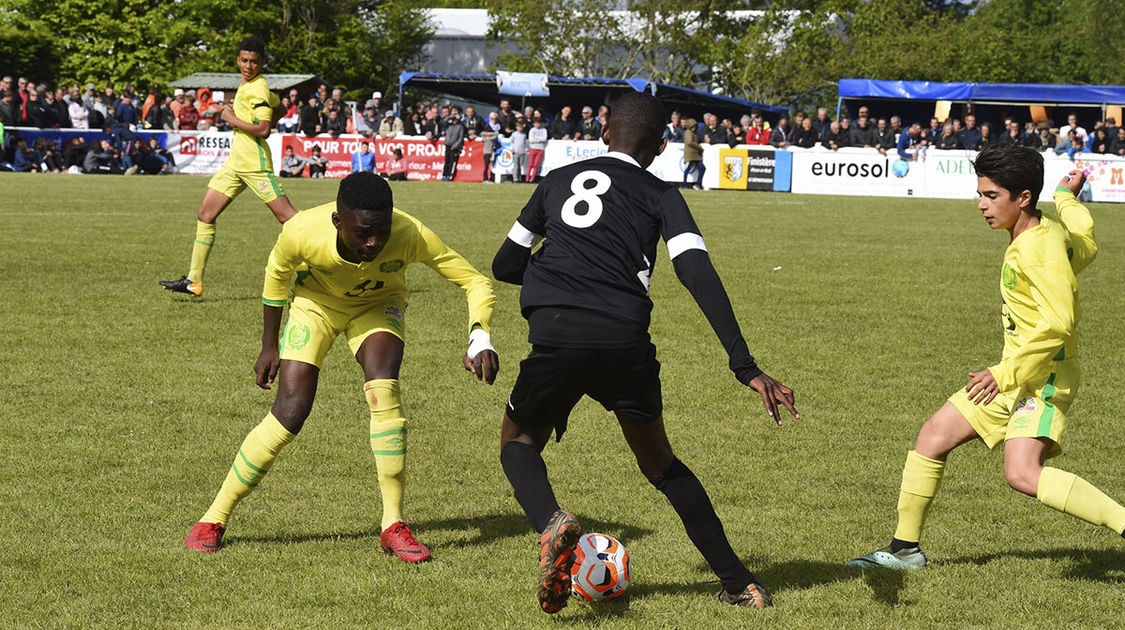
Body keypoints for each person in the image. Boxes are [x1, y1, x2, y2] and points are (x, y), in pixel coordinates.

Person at [491, 92, 797, 614]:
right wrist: (744, 365)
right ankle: (739, 583)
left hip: (557, 333)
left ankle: (552, 524)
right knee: (661, 466)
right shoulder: (661, 192)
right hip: (622, 339)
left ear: (604, 132)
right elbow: (696, 272)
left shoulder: (556, 181)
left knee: (518, 443)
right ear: (658, 147)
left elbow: (504, 265)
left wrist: (551, 268)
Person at [183, 172, 500, 561]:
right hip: (315, 306)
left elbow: (474, 281)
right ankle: (213, 518)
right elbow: (276, 276)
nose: (375, 242)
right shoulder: (303, 231)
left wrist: (479, 335)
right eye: (364, 232)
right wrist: (269, 344)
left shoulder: (409, 232)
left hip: (376, 308)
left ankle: (393, 524)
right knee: (290, 412)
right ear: (337, 220)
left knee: (384, 388)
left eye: (382, 231)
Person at [847, 145, 1125, 572]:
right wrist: (1068, 198)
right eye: (980, 193)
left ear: (1024, 197)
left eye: (992, 196)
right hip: (1013, 374)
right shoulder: (1047, 232)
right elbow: (1084, 241)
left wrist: (1006, 372)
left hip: (1040, 378)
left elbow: (1059, 325)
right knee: (933, 436)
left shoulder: (1039, 249)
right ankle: (905, 549)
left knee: (1022, 475)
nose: (981, 205)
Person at [160, 36, 299, 298]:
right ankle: (194, 280)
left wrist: (231, 118)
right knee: (205, 214)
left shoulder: (256, 89)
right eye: (244, 60)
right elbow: (279, 107)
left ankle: (316, 267)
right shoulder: (253, 87)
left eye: (254, 62)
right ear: (238, 60)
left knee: (289, 218)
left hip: (254, 165)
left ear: (262, 63)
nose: (248, 65)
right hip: (235, 165)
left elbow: (264, 129)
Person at [442, 106, 465, 181]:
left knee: (452, 162)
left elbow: (460, 137)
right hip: (448, 145)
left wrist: (455, 146)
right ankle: (444, 175)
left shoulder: (460, 126)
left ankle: (449, 175)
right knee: (446, 161)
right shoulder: (449, 124)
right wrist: (452, 115)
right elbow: (444, 121)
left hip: (454, 146)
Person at [682, 117, 704, 189]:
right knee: (687, 169)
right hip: (690, 154)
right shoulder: (688, 132)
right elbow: (689, 142)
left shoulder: (694, 133)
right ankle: (684, 184)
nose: (694, 127)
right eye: (693, 126)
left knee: (702, 168)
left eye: (695, 126)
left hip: (696, 154)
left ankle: (698, 183)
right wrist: (699, 147)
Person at [526, 117, 548, 182]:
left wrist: (536, 139)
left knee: (536, 165)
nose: (537, 124)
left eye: (538, 123)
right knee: (530, 164)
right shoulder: (532, 130)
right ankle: (527, 178)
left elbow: (544, 139)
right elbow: (531, 140)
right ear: (534, 124)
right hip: (533, 148)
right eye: (536, 123)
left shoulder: (544, 130)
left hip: (540, 149)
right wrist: (539, 139)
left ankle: (532, 179)